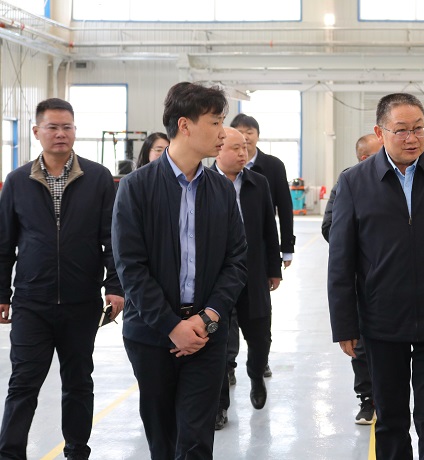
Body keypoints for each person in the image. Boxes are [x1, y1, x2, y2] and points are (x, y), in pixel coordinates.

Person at [328, 93, 424, 459]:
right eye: (401, 130)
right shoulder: (354, 182)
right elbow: (341, 261)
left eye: (419, 128)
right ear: (380, 132)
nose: (412, 138)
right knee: (391, 419)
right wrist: (345, 324)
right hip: (382, 320)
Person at [111, 82, 248, 459]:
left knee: (197, 441)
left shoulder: (221, 190)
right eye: (215, 122)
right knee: (163, 439)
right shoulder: (136, 188)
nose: (223, 133)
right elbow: (131, 267)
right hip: (152, 335)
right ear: (185, 125)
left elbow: (236, 261)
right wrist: (172, 326)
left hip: (207, 335)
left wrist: (209, 317)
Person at [0, 98, 124, 460]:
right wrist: (2, 293)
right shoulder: (18, 181)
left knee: (78, 383)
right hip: (31, 302)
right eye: (52, 127)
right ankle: (9, 454)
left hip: (81, 302)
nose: (60, 133)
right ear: (36, 132)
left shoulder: (98, 178)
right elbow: (4, 244)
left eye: (67, 127)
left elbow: (112, 239)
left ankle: (76, 452)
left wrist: (115, 287)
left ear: (75, 131)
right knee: (23, 384)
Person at [212, 127, 282, 430]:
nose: (244, 153)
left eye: (245, 147)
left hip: (253, 273)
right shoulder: (205, 182)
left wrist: (273, 269)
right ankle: (219, 406)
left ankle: (255, 375)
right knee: (217, 344)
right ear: (218, 150)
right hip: (217, 277)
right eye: (236, 148)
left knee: (260, 335)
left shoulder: (258, 183)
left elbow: (269, 227)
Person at [229, 113, 295, 380]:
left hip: (258, 253)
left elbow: (283, 210)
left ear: (257, 135)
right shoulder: (216, 171)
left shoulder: (271, 167)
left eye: (250, 132)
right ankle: (228, 365)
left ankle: (259, 363)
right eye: (239, 132)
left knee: (258, 315)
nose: (245, 137)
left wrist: (285, 249)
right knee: (227, 316)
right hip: (228, 259)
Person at [321, 133, 380, 425]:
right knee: (362, 345)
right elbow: (330, 227)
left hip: (396, 279)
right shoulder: (348, 182)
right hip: (362, 279)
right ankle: (367, 399)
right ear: (365, 158)